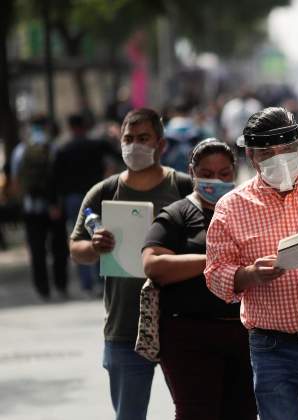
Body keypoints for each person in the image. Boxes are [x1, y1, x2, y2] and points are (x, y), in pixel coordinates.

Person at [205, 107, 298, 420]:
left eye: (287, 149)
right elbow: (216, 274)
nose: (279, 158)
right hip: (273, 347)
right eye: (267, 153)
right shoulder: (231, 208)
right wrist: (248, 274)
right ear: (251, 157)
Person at [69, 108, 194, 420]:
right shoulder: (104, 192)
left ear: (161, 145)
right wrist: (94, 247)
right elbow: (76, 248)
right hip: (125, 328)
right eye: (128, 139)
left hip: (181, 323)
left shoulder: (184, 189)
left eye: (143, 138)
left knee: (195, 410)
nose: (134, 145)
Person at [142, 139, 257, 420]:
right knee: (197, 412)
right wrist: (213, 263)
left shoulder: (248, 211)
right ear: (192, 173)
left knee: (244, 412)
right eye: (206, 174)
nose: (215, 180)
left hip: (245, 336)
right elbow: (153, 264)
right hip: (188, 336)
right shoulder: (178, 215)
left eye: (223, 174)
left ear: (235, 172)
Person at [53, 113, 121, 295]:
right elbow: (119, 155)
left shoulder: (63, 148)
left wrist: (57, 203)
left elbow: (55, 178)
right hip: (95, 197)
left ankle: (86, 285)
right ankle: (101, 281)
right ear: (85, 125)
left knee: (79, 238)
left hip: (73, 199)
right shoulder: (96, 144)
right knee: (100, 235)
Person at [10, 115, 69, 300]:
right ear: (46, 127)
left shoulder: (21, 150)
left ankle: (42, 289)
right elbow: (61, 179)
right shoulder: (55, 148)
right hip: (55, 207)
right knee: (59, 249)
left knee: (37, 250)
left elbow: (15, 178)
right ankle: (61, 285)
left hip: (31, 207)